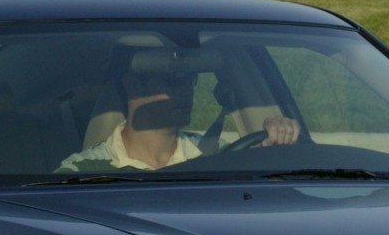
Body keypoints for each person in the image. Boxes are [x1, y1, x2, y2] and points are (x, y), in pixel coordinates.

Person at [58, 50, 298, 174]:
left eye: (190, 80)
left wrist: (273, 149)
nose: (187, 91)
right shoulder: (81, 172)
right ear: (132, 85)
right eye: (173, 81)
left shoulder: (217, 157)